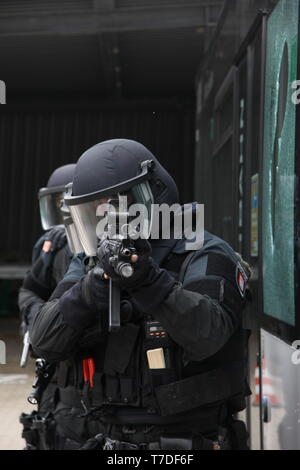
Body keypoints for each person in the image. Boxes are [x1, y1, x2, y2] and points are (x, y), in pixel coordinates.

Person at [30, 139, 251, 450]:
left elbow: (209, 334)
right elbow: (43, 339)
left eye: (116, 208)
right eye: (95, 214)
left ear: (152, 196)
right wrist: (90, 290)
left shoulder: (202, 251)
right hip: (108, 440)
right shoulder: (88, 262)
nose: (107, 225)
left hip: (188, 442)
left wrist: (147, 280)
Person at [19, 163, 82, 450]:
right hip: (54, 370)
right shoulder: (50, 245)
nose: (61, 211)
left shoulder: (102, 247)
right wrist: (36, 322)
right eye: (56, 204)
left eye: (65, 203)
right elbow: (31, 290)